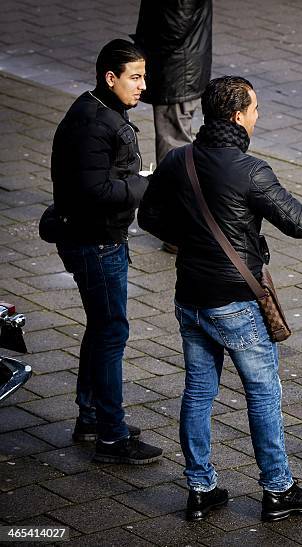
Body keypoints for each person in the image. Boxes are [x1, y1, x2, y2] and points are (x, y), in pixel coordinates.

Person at [138, 76, 302, 521]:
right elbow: (297, 220)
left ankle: (201, 488)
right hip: (236, 302)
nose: (258, 116)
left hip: (190, 298)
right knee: (262, 394)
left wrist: (196, 243)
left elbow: (149, 217)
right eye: (255, 109)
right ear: (238, 116)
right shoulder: (251, 170)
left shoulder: (179, 159)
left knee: (199, 392)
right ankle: (278, 489)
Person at [50, 39, 162, 464]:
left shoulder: (99, 112)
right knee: (112, 331)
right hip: (95, 242)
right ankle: (112, 437)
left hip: (96, 237)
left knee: (101, 327)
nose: (142, 86)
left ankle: (92, 415)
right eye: (135, 77)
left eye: (143, 76)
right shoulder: (94, 124)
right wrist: (146, 184)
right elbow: (94, 189)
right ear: (109, 77)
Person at [132, 0, 212, 166]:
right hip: (182, 68)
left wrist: (144, 49)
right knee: (177, 142)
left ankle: (174, 190)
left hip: (176, 72)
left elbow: (174, 27)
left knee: (174, 146)